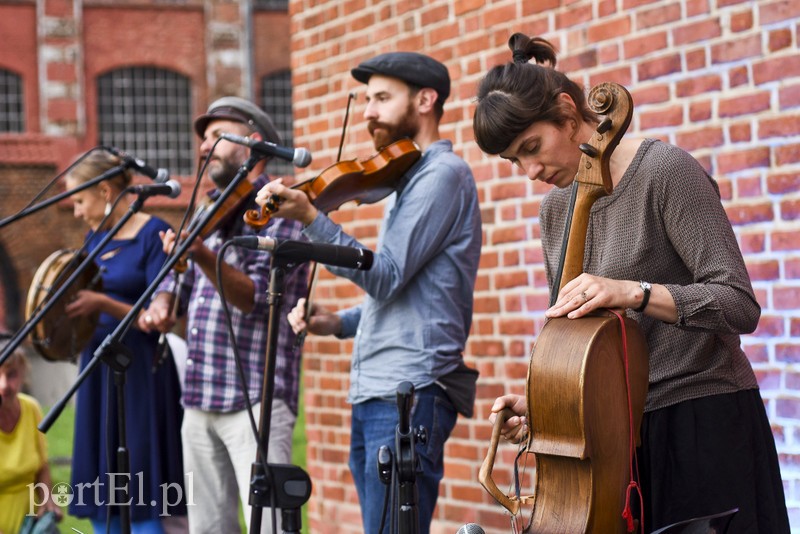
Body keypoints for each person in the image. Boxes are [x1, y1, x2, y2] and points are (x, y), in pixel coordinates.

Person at [473, 33, 790, 533]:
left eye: (532, 147)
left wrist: (633, 291)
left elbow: (738, 304)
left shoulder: (664, 172)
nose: (530, 171)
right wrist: (548, 405)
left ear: (566, 110)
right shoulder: (555, 210)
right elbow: (585, 339)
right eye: (514, 161)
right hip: (618, 439)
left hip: (702, 420)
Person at [255, 52, 482, 534]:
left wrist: (312, 221)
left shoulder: (443, 175)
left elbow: (385, 275)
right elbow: (404, 298)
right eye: (365, 100)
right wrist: (335, 322)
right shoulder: (406, 182)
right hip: (378, 388)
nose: (368, 112)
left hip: (409, 390)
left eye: (382, 98)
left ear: (425, 100)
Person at [138, 97, 308, 534]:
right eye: (203, 139)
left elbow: (255, 296)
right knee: (208, 529)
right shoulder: (207, 209)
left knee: (266, 528)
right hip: (197, 399)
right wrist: (162, 303)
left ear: (250, 141)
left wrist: (195, 251)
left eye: (215, 136)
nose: (203, 147)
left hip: (254, 398)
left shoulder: (280, 206)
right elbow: (178, 287)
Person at [63, 149, 187, 533]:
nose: (76, 212)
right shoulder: (92, 238)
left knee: (139, 470)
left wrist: (102, 303)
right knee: (105, 469)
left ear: (104, 191)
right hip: (98, 365)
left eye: (79, 201)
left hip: (139, 369)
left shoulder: (153, 234)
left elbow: (156, 315)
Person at [0, 340, 62, 534]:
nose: (3, 385)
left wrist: (48, 500)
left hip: (31, 526)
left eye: (11, 375)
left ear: (23, 375)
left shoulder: (31, 408)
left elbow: (41, 466)